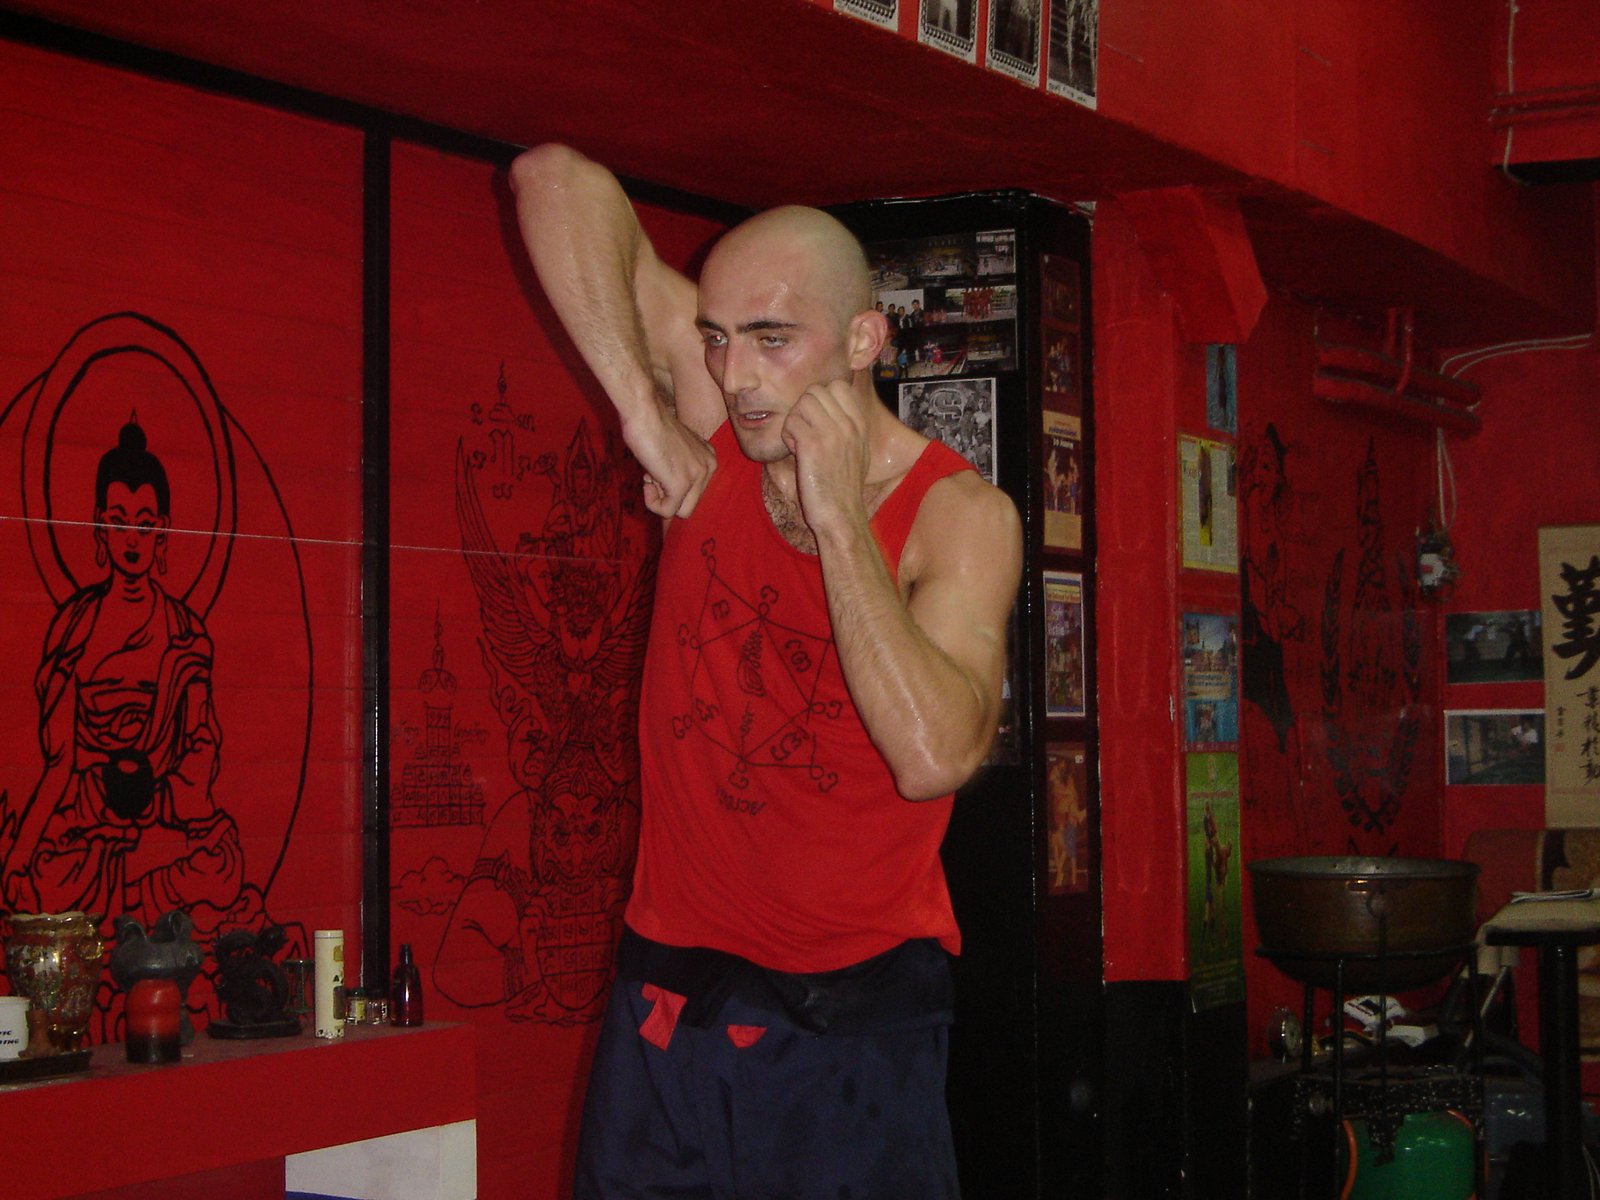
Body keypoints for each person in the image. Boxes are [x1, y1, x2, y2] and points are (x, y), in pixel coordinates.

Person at [510, 144, 1022, 1200]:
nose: (735, 374)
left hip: (851, 1010)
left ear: (863, 341)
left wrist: (838, 519)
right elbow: (551, 180)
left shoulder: (958, 515)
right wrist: (642, 410)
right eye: (715, 337)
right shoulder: (714, 422)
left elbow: (934, 757)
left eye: (771, 339)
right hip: (669, 988)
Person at [1, 417, 242, 929]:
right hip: (89, 814)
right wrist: (21, 854)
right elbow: (59, 763)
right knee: (43, 883)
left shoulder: (184, 632)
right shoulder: (75, 627)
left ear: (163, 532)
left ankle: (131, 893)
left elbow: (201, 747)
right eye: (118, 522)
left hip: (162, 817)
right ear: (99, 526)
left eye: (145, 525)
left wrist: (160, 799)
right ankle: (132, 895)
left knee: (220, 866)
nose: (132, 539)